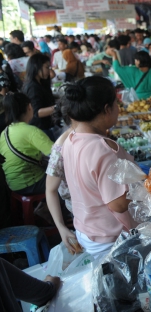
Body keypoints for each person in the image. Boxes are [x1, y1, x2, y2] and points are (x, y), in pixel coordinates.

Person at [62, 76, 137, 258]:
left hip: (87, 231)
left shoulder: (71, 139)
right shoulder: (102, 149)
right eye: (116, 103)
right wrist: (141, 182)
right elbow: (118, 204)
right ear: (106, 109)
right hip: (111, 240)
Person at [46, 98, 82, 254]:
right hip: (79, 209)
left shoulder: (88, 136)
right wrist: (61, 227)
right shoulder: (61, 147)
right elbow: (50, 190)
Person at [0, 92, 53, 195]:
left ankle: (43, 205)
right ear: (29, 107)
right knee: (65, 181)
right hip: (30, 183)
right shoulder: (31, 131)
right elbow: (57, 155)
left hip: (12, 184)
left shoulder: (4, 133)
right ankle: (56, 207)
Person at [22, 53, 56, 139]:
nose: (49, 71)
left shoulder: (40, 82)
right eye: (47, 67)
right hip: (40, 127)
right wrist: (59, 107)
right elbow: (37, 112)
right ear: (36, 67)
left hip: (47, 124)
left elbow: (43, 97)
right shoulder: (32, 87)